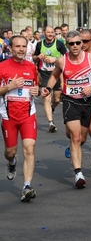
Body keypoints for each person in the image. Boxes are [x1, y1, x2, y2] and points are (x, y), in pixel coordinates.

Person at [41, 30, 91, 188]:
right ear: (67, 45)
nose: (76, 46)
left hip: (87, 102)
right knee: (76, 137)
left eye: (78, 43)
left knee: (83, 138)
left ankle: (73, 147)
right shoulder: (62, 61)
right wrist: (48, 88)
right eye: (72, 44)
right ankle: (78, 173)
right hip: (70, 100)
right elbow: (55, 76)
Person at [0, 35, 40, 202]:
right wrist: (10, 86)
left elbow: (36, 86)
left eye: (24, 46)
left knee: (29, 149)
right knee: (10, 152)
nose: (21, 49)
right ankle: (12, 162)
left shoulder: (31, 67)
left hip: (28, 115)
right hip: (8, 116)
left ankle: (27, 186)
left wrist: (37, 91)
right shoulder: (2, 67)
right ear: (11, 48)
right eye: (18, 46)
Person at [64, 30, 91, 171]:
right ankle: (73, 143)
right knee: (79, 138)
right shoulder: (72, 56)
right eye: (80, 41)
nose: (82, 44)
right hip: (76, 99)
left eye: (86, 41)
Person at [33, 26, 68, 132]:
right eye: (48, 32)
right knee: (47, 98)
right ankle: (51, 123)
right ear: (44, 33)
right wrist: (38, 57)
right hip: (44, 74)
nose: (50, 34)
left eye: (52, 32)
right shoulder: (39, 44)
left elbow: (67, 58)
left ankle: (52, 108)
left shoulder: (59, 44)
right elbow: (33, 57)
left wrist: (55, 59)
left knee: (57, 99)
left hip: (57, 74)